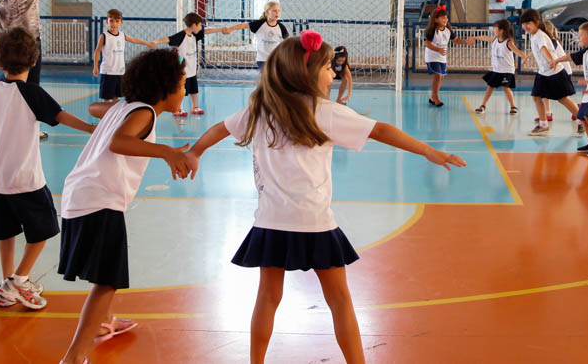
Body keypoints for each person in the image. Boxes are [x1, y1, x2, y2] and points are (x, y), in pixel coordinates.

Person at [183, 31, 466, 364]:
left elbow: (220, 128)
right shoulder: (324, 111)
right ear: (307, 72)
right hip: (315, 224)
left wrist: (195, 152)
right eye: (328, 67)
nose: (334, 73)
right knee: (339, 300)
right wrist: (428, 151)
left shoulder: (260, 109)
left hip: (271, 224)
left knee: (268, 298)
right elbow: (380, 130)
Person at [57, 48, 194, 364]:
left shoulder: (125, 106)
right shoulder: (144, 113)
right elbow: (119, 142)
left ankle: (104, 321)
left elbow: (94, 107)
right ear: (164, 88)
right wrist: (168, 152)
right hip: (99, 200)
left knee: (106, 273)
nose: (185, 90)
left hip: (80, 195)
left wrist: (110, 110)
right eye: (182, 84)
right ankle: (74, 357)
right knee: (108, 281)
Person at [0, 27, 95, 309]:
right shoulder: (32, 93)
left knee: (6, 233)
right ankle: (19, 280)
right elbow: (60, 116)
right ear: (33, 60)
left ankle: (6, 284)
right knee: (43, 231)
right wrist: (91, 128)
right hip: (25, 179)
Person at [518, 9, 578, 135]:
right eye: (523, 24)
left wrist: (551, 61)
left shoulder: (540, 35)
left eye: (528, 23)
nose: (525, 26)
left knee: (563, 99)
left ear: (537, 22)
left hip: (554, 73)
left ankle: (583, 121)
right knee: (536, 97)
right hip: (544, 73)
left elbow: (544, 49)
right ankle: (543, 124)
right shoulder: (535, 35)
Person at [151, 13, 223, 117]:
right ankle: (177, 108)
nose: (201, 28)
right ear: (194, 25)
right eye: (200, 25)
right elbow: (168, 39)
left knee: (194, 89)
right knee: (180, 91)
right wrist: (156, 41)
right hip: (183, 71)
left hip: (192, 69)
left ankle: (194, 106)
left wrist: (220, 29)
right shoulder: (181, 36)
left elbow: (206, 31)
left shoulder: (194, 35)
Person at [553, 22, 588, 156]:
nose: (578, 38)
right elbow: (570, 56)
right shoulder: (585, 52)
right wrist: (557, 61)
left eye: (581, 35)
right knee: (582, 117)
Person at [92, 9, 154, 102]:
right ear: (107, 21)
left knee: (116, 97)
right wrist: (95, 66)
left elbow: (134, 40)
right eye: (111, 21)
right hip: (108, 71)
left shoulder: (122, 35)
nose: (114, 24)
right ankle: (107, 111)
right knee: (106, 98)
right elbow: (97, 51)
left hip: (119, 71)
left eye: (117, 21)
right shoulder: (104, 36)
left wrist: (147, 43)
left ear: (121, 23)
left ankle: (115, 111)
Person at [468, 19, 525, 115]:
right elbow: (486, 38)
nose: (493, 29)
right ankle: (483, 105)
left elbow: (517, 51)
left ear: (501, 30)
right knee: (490, 87)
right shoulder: (495, 38)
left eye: (495, 27)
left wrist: (524, 57)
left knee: (506, 88)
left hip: (506, 70)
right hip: (496, 69)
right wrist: (475, 37)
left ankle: (513, 106)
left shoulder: (508, 42)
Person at [422, 6, 473, 107]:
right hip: (432, 57)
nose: (445, 20)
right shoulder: (432, 31)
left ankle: (432, 97)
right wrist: (438, 49)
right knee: (438, 76)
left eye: (446, 18)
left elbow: (455, 40)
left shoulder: (448, 30)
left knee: (441, 77)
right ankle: (436, 98)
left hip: (442, 57)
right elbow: (427, 43)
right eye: (443, 18)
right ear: (436, 19)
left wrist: (465, 41)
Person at [221, 1, 290, 68]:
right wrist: (230, 29)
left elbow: (288, 40)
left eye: (278, 10)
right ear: (267, 12)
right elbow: (244, 25)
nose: (277, 13)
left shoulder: (281, 27)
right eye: (274, 10)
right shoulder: (259, 24)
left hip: (276, 59)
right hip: (262, 59)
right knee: (268, 74)